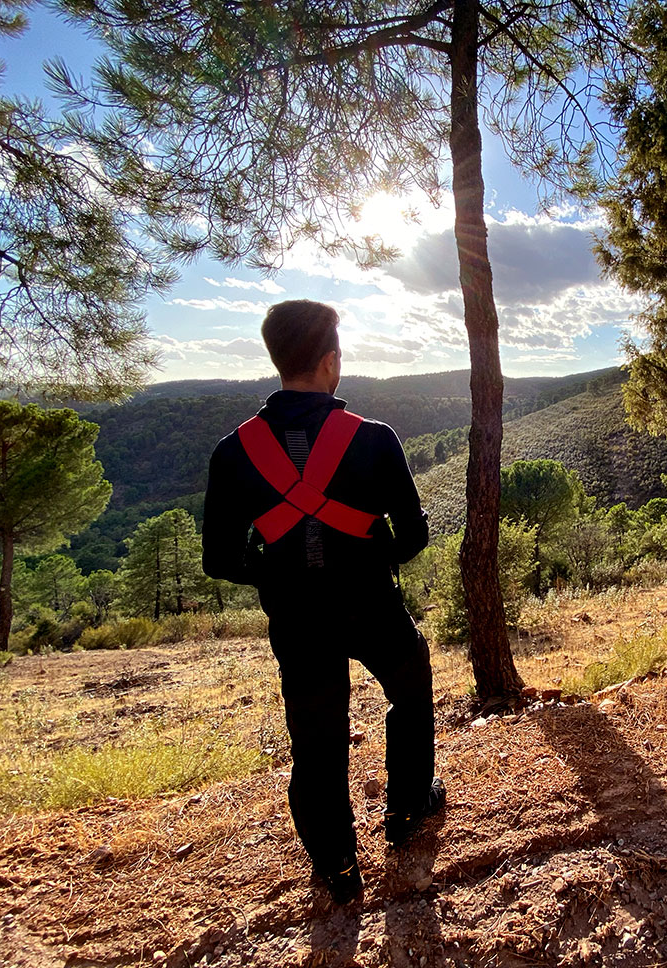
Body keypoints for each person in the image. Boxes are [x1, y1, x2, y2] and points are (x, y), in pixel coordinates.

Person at [202, 299, 444, 905]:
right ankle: (410, 807)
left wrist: (274, 573)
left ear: (277, 359)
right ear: (331, 361)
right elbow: (414, 536)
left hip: (298, 617)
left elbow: (220, 560)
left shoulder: (233, 453)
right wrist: (376, 550)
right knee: (410, 690)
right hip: (371, 603)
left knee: (316, 736)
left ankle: (336, 864)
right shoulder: (374, 439)